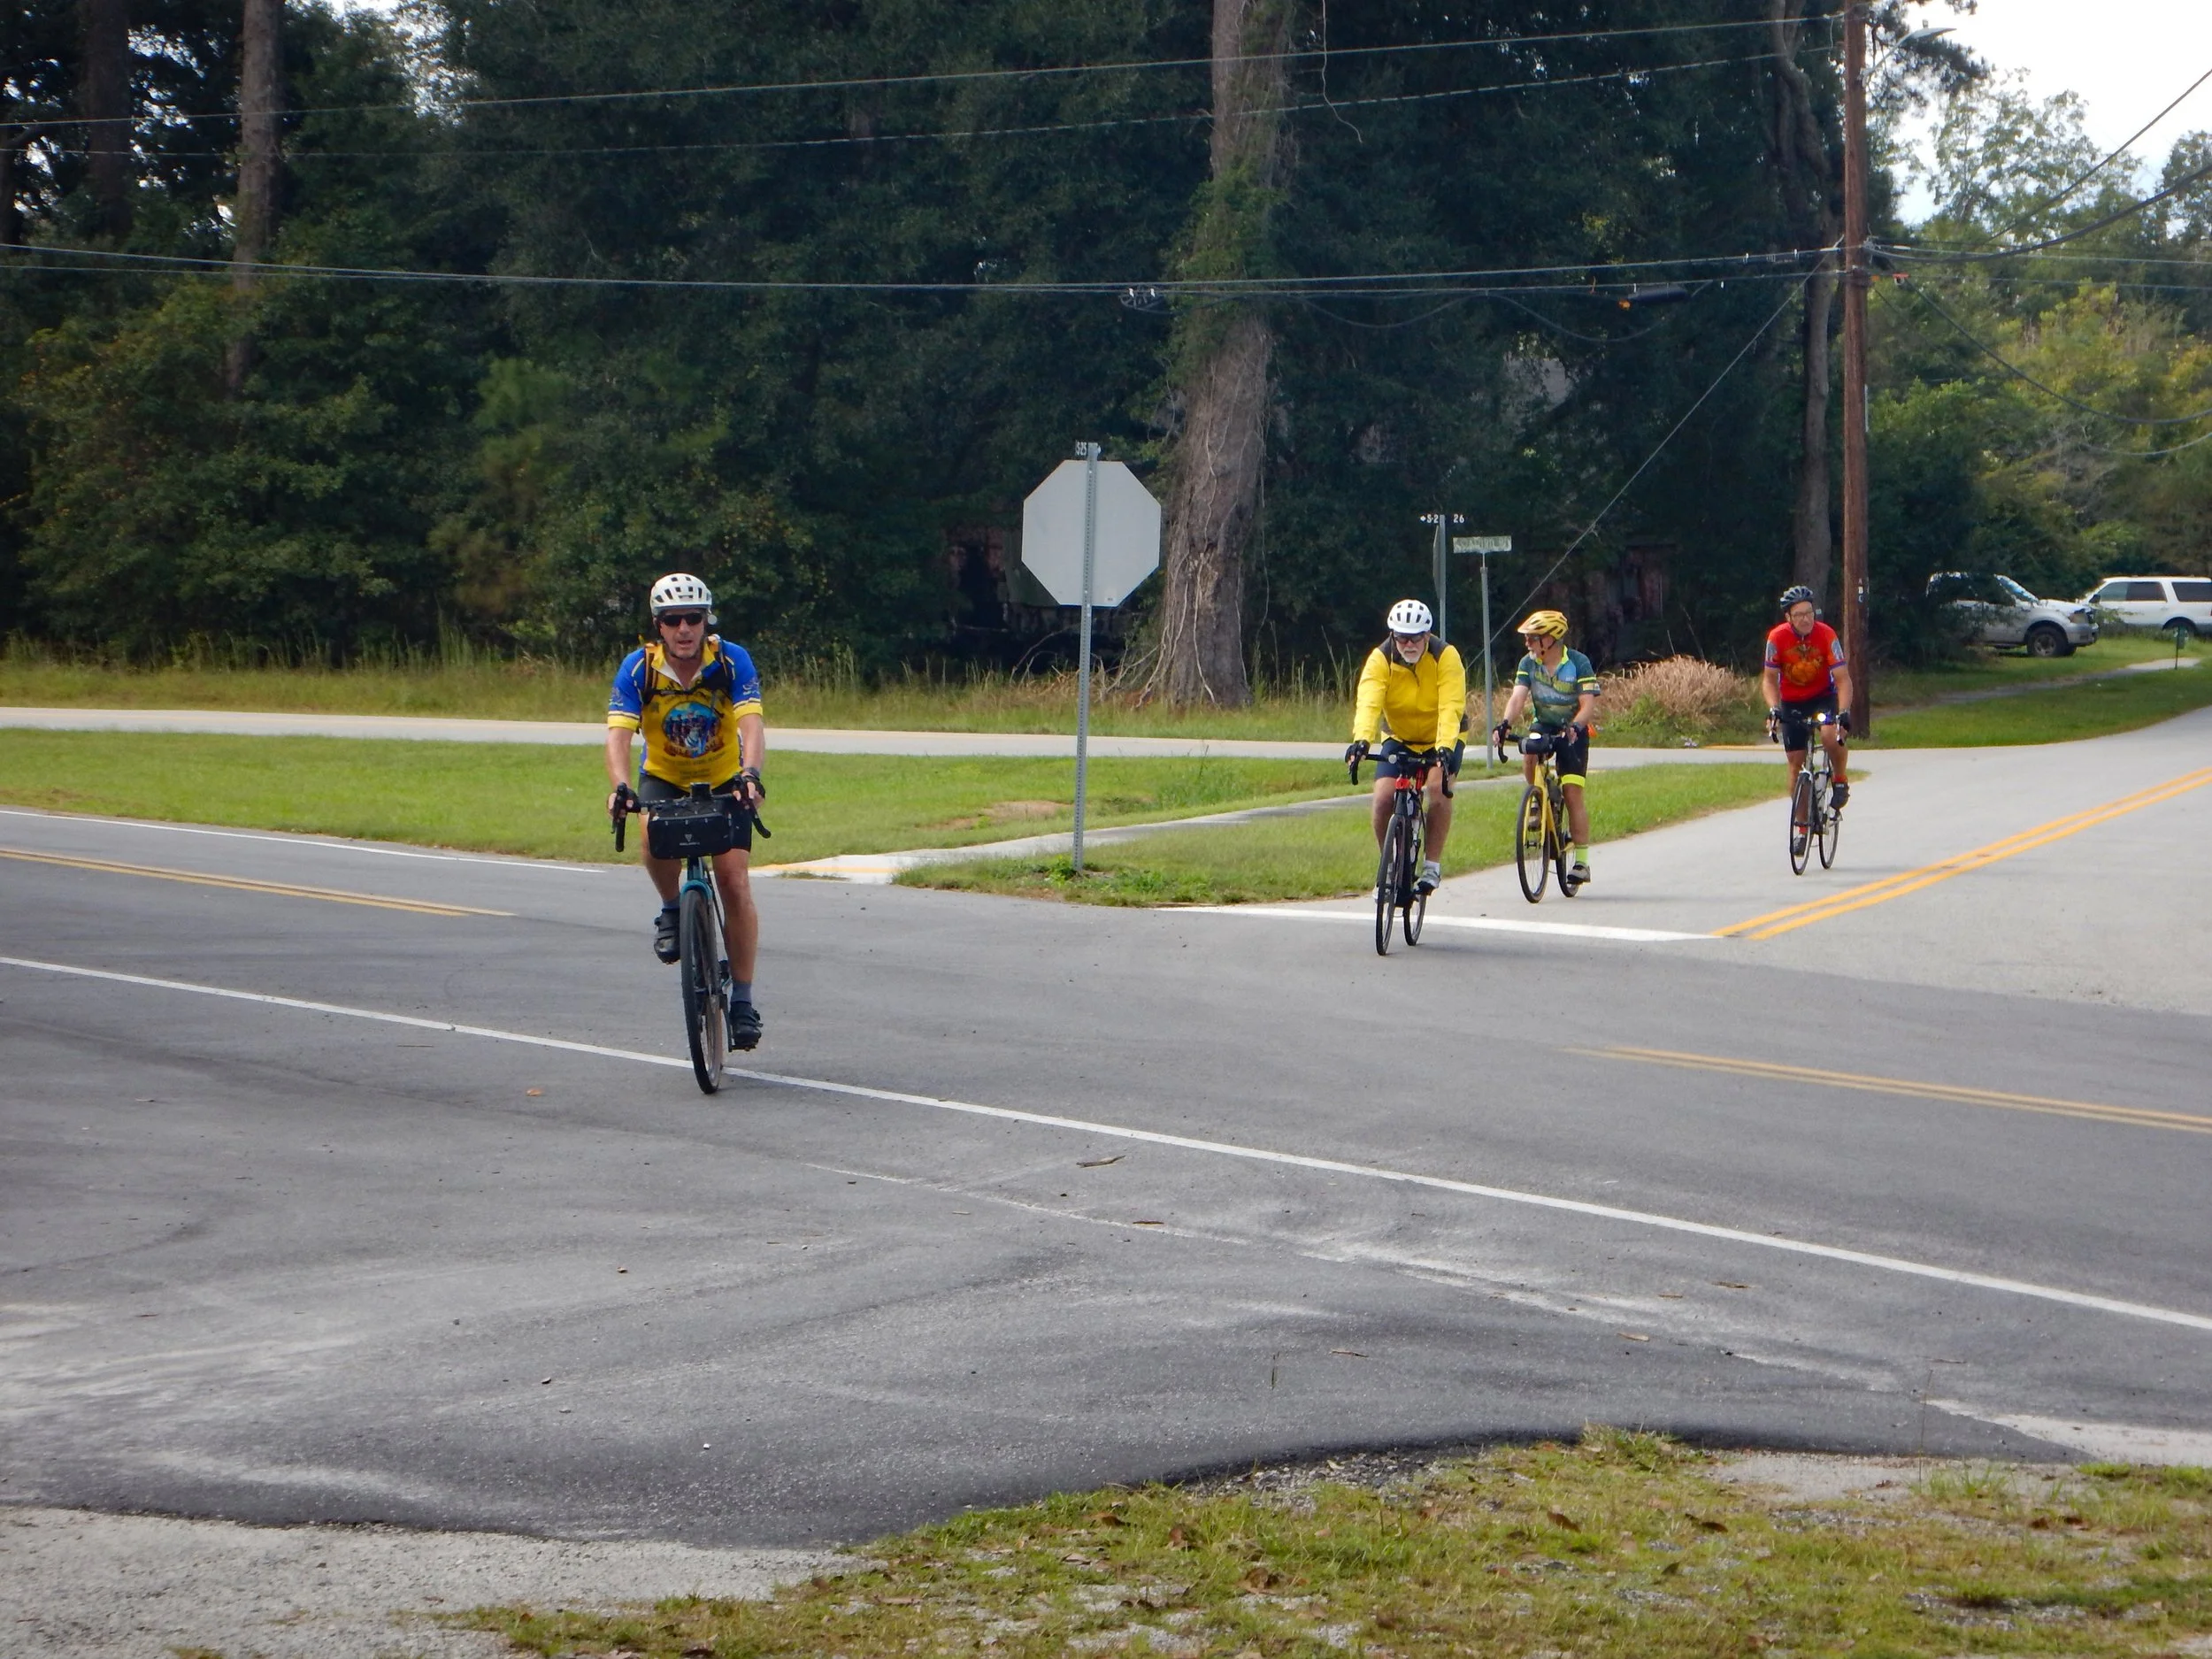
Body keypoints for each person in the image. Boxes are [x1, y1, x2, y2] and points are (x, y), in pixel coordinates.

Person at [605, 573, 768, 1050]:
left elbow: (752, 724)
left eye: (692, 619)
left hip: (723, 776)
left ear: (705, 621)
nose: (683, 629)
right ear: (658, 625)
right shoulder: (639, 669)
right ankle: (673, 910)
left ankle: (742, 1000)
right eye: (673, 620)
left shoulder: (730, 660)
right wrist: (619, 786)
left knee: (734, 881)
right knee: (650, 835)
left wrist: (752, 773)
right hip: (665, 775)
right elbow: (617, 736)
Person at [1346, 599, 1467, 895]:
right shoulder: (1381, 659)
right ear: (1392, 636)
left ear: (1428, 635)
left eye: (1416, 637)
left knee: (1437, 791)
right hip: (1399, 737)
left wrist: (1444, 747)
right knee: (1383, 798)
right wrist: (1362, 739)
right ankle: (1388, 867)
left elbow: (1451, 705)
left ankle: (1431, 867)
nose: (1409, 644)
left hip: (1442, 737)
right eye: (1402, 637)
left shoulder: (1446, 657)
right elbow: (1369, 701)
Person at [1494, 609, 1600, 886]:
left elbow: (1588, 704)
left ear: (1551, 639)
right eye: (1527, 637)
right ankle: (1538, 802)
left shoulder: (1578, 663)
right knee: (1529, 750)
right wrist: (1504, 723)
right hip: (1545, 725)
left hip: (1572, 729)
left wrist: (1576, 727)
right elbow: (1517, 699)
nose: (1527, 643)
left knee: (1572, 792)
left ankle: (1582, 862)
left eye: (1533, 637)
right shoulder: (1528, 664)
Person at [1762, 584, 1851, 812]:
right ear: (1788, 617)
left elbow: (1842, 679)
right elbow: (1769, 680)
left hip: (1823, 697)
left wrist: (1844, 712)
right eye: (1799, 615)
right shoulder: (1777, 638)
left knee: (1830, 736)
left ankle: (1840, 780)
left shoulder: (1827, 634)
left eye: (1809, 613)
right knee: (1795, 764)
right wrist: (1774, 708)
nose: (1805, 619)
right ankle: (1802, 825)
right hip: (1792, 702)